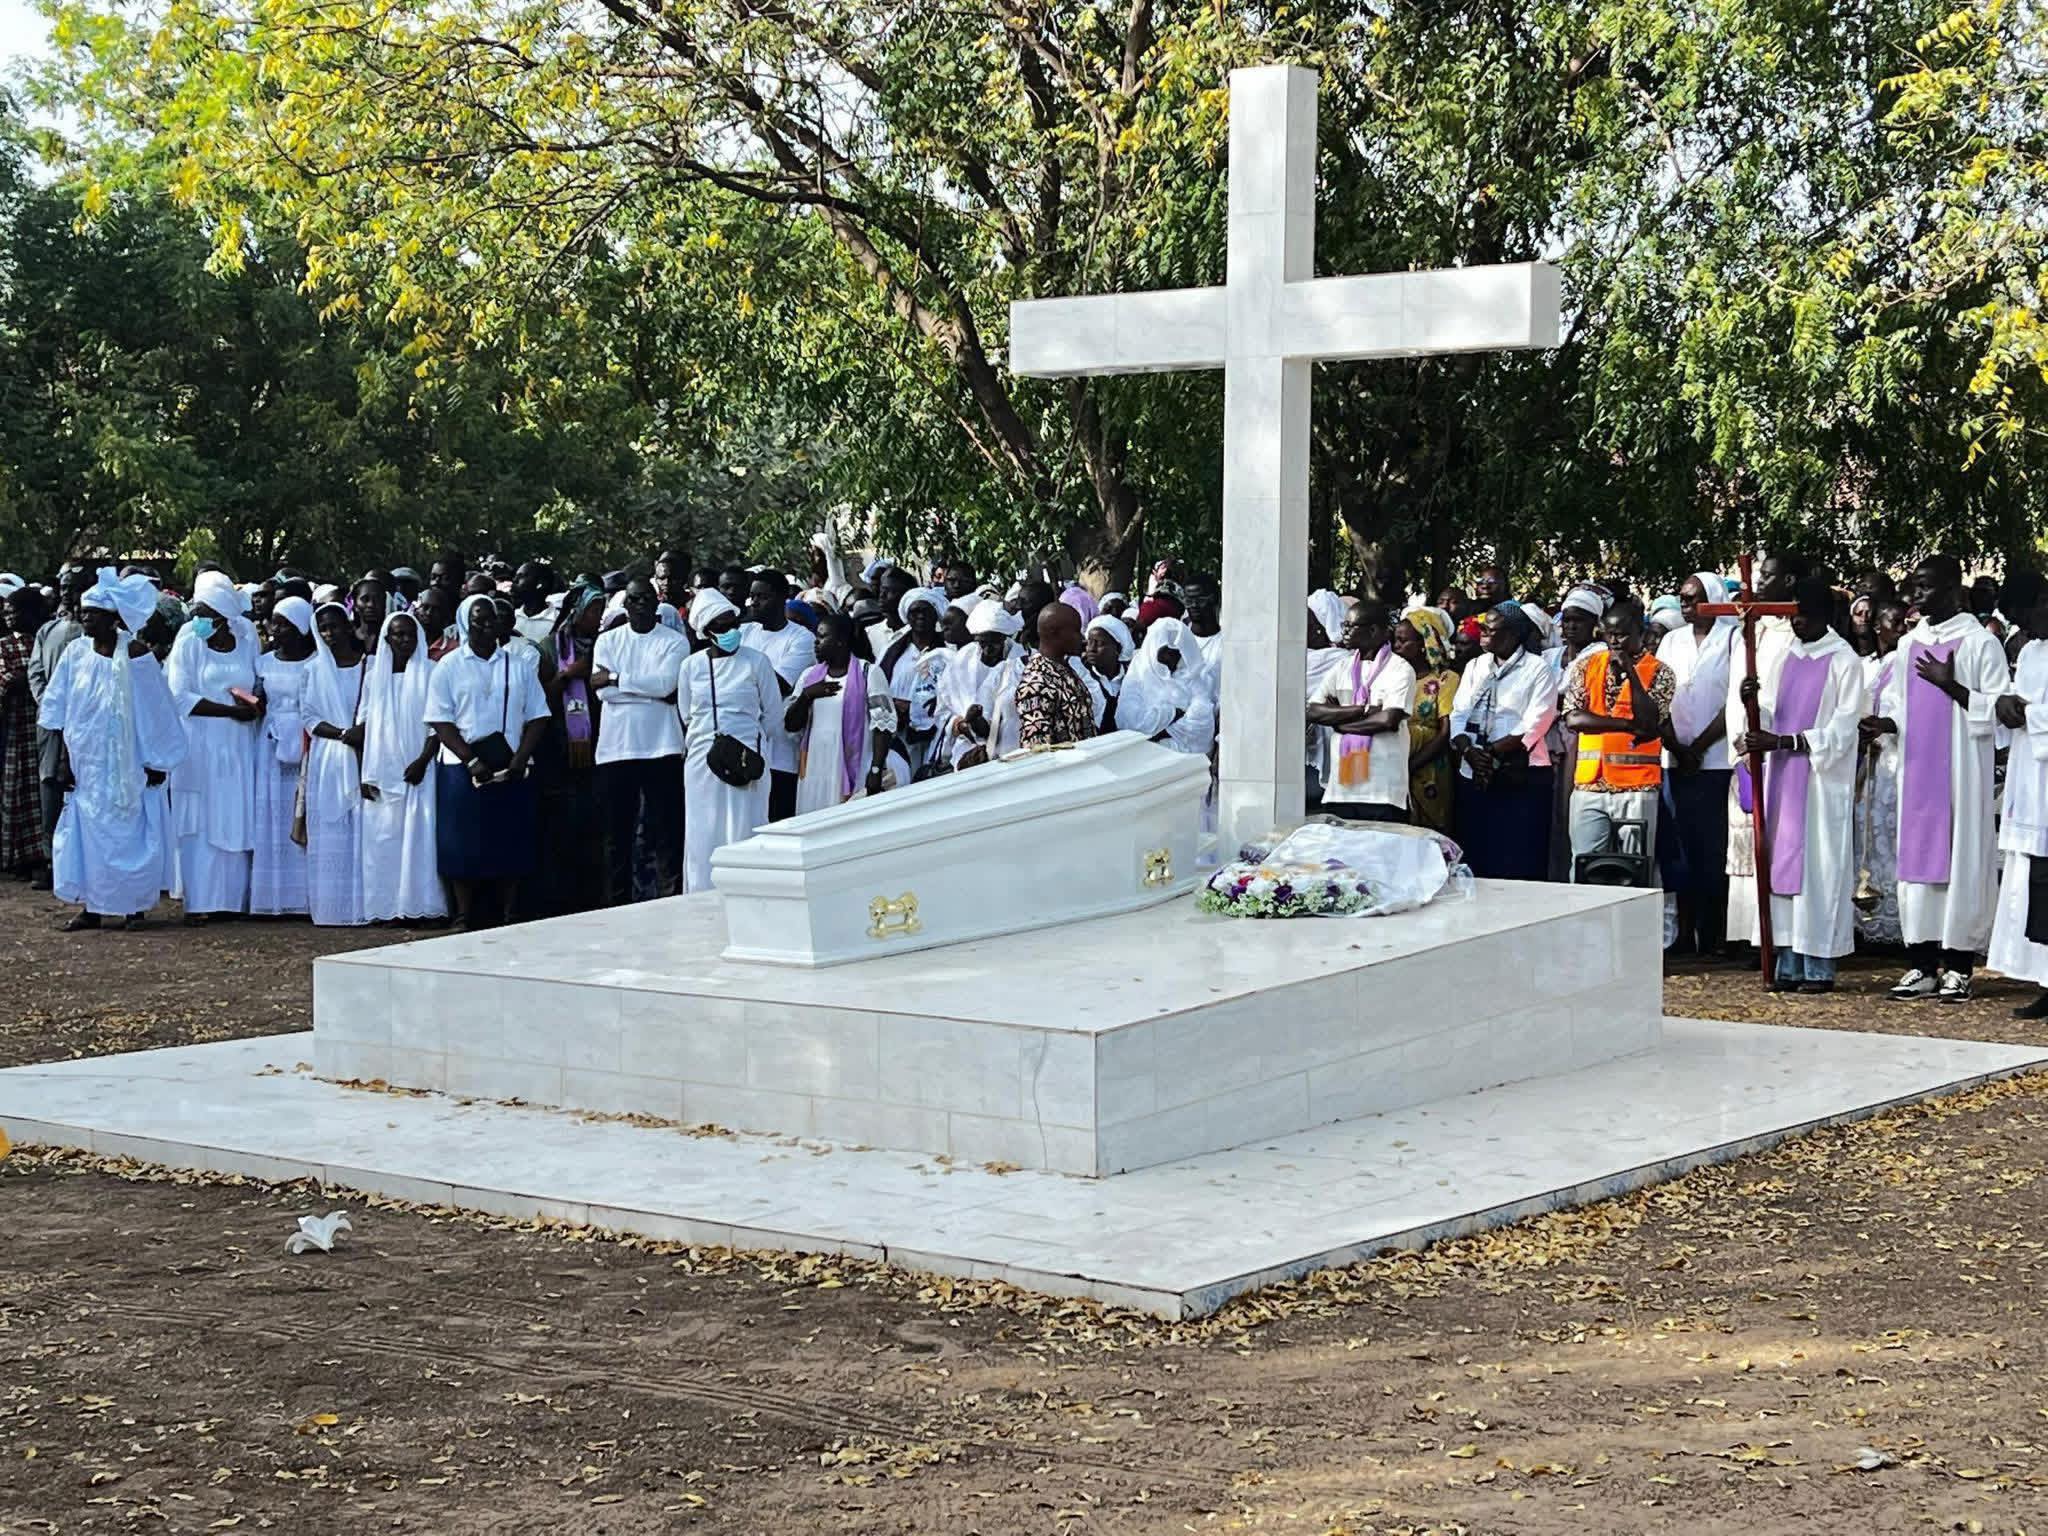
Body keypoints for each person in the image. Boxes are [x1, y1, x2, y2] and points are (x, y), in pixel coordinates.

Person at [1864, 555, 2011, 1001]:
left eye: (1926, 587)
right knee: (1919, 867)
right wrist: (1884, 724)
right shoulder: (1910, 644)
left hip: (1961, 775)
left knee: (1961, 861)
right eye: (1914, 587)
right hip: (1918, 771)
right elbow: (1898, 704)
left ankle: (1959, 966)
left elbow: (2003, 712)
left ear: (1952, 589)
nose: (1916, 596)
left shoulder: (1979, 644)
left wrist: (1952, 687)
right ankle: (1923, 964)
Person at [1730, 580, 1865, 992]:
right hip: (1783, 779)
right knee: (1780, 870)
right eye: (1793, 616)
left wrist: (1786, 742)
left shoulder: (1844, 660)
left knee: (1819, 872)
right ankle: (1786, 961)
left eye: (1804, 615)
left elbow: (1845, 729)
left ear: (1826, 616)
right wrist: (1749, 702)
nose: (1798, 623)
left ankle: (1818, 965)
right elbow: (1771, 710)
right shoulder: (1787, 655)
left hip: (1820, 784)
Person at [39, 569, 188, 930]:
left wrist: (156, 760)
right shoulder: (75, 653)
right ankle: (93, 908)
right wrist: (62, 757)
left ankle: (134, 908)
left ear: (112, 619)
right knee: (90, 832)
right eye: (84, 612)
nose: (85, 618)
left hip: (129, 761)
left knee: (129, 833)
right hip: (86, 762)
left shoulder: (135, 654)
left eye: (93, 614)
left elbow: (156, 710)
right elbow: (58, 706)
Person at [425, 593, 551, 928]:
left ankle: (510, 913)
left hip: (512, 764)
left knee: (510, 839)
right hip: (461, 766)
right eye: (478, 619)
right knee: (461, 842)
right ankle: (465, 914)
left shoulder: (518, 664)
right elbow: (440, 720)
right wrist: (470, 760)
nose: (486, 625)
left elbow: (538, 715)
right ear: (466, 622)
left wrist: (522, 758)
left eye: (491, 618)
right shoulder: (448, 666)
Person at [167, 571, 261, 922]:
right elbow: (178, 694)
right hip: (201, 742)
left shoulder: (246, 635)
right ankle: (202, 900)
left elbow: (257, 676)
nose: (197, 618)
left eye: (204, 612)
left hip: (238, 744)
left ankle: (233, 899)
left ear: (222, 615)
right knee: (202, 821)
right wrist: (227, 712)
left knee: (234, 812)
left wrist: (255, 702)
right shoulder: (189, 639)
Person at [1562, 598, 1674, 881]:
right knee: (1586, 869)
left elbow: (1650, 721)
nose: (1614, 640)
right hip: (1589, 786)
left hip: (1637, 786)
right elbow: (1573, 718)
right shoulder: (1585, 666)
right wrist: (1626, 724)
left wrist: (1631, 673)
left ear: (1642, 633)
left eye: (1622, 633)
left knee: (1634, 871)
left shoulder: (1661, 672)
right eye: (1609, 633)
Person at [592, 576, 689, 902]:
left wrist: (618, 678)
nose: (642, 604)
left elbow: (666, 685)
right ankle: (615, 902)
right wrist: (647, 691)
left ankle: (669, 897)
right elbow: (603, 692)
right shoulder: (608, 641)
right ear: (626, 604)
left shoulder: (674, 641)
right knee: (617, 834)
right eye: (634, 599)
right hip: (616, 748)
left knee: (665, 831)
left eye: (647, 598)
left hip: (662, 746)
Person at [676, 588, 780, 891]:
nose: (731, 631)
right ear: (707, 632)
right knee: (703, 830)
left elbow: (772, 716)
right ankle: (702, 895)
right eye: (722, 627)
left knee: (746, 825)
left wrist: (750, 741)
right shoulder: (690, 666)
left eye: (733, 624)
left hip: (748, 755)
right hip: (701, 760)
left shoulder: (757, 662)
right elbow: (687, 715)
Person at [1659, 573, 1739, 956]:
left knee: (1713, 849)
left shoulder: (1734, 639)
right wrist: (1677, 745)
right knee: (1679, 847)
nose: (1687, 605)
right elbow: (1660, 696)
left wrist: (1701, 746)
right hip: (1674, 758)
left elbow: (1735, 701)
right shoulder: (1671, 640)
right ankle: (1682, 933)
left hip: (1717, 760)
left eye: (1695, 599)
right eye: (1683, 599)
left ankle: (1715, 933)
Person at [1448, 603, 1556, 879]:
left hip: (1520, 772)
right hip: (1475, 770)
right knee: (1477, 854)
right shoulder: (1475, 666)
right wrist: (1470, 751)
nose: (1481, 634)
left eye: (1489, 629)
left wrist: (1491, 752)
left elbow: (1536, 722)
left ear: (1512, 634)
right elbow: (1459, 713)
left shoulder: (1537, 669)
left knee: (1517, 857)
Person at [358, 611, 445, 924]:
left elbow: (439, 724)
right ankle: (386, 907)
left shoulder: (432, 671)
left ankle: (422, 906)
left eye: (410, 634)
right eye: (398, 634)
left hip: (419, 766)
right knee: (384, 839)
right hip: (381, 768)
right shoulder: (373, 677)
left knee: (420, 837)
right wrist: (363, 773)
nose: (405, 640)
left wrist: (423, 760)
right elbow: (363, 726)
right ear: (387, 639)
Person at [1989, 584, 2048, 1017]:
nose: (2024, 627)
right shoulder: (2031, 652)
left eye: (2027, 614)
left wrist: (2028, 712)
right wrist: (2005, 704)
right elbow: (2017, 700)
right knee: (2039, 882)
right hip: (2031, 779)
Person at [1307, 600, 1416, 823]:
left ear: (1373, 630)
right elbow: (1312, 710)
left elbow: (1388, 719)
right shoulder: (1342, 667)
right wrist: (1363, 709)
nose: (1343, 631)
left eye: (1349, 626)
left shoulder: (1400, 669)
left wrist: (1340, 725)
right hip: (1342, 789)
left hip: (1383, 791)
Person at [788, 612, 897, 813]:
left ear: (840, 641)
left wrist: (875, 769)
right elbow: (791, 724)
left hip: (854, 764)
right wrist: (807, 696)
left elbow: (883, 725)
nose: (816, 642)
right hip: (815, 769)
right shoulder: (809, 677)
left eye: (822, 637)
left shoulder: (868, 673)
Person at [249, 596, 317, 917]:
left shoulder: (317, 662)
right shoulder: (264, 662)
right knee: (274, 812)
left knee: (303, 810)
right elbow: (258, 697)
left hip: (307, 740)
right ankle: (274, 894)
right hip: (272, 743)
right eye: (274, 622)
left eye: (283, 623)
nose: (275, 629)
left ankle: (305, 895)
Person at [303, 602, 368, 926]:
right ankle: (332, 908)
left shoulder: (367, 664)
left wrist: (362, 732)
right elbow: (309, 717)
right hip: (329, 754)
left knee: (362, 828)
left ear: (348, 625)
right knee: (331, 828)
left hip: (365, 752)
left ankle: (364, 906)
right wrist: (344, 733)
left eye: (335, 626)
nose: (330, 633)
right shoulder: (314, 670)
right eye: (323, 628)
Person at [737, 568, 815, 822]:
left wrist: (738, 682)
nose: (754, 602)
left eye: (762, 596)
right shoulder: (745, 633)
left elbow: (777, 684)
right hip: (745, 743)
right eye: (752, 596)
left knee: (778, 820)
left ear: (782, 598)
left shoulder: (801, 638)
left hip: (781, 749)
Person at [27, 565, 88, 888]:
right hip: (52, 724)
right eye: (64, 587)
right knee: (49, 785)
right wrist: (48, 705)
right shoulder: (48, 630)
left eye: (74, 587)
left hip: (89, 723)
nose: (67, 593)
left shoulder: (96, 632)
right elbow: (36, 672)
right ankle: (52, 862)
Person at [1855, 597, 1910, 948]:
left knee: (1893, 839)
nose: (1903, 629)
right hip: (1869, 763)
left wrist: (1886, 726)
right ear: (1878, 627)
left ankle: (1899, 922)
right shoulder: (1865, 666)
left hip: (1895, 759)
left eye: (1906, 623)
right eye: (1895, 623)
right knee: (1866, 837)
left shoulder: (1905, 661)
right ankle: (1868, 918)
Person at [0, 584, 50, 878]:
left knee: (40, 790)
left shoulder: (43, 639)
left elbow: (32, 681)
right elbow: (10, 682)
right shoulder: (5, 645)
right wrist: (31, 679)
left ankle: (38, 857)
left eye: (12, 610)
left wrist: (27, 680)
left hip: (41, 726)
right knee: (15, 791)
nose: (7, 615)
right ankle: (18, 857)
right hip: (15, 729)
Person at [1394, 607, 1458, 831]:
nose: (1396, 647)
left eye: (1403, 641)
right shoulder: (1394, 677)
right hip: (1395, 763)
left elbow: (1445, 731)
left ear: (1424, 644)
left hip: (1429, 765)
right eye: (1395, 640)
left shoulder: (1444, 679)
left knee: (1430, 830)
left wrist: (1411, 765)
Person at [1118, 616, 1218, 756]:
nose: (1169, 657)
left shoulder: (1191, 675)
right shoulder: (1138, 675)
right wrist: (1173, 713)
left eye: (1174, 652)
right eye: (1164, 651)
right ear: (1153, 648)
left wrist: (1158, 732)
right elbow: (1131, 723)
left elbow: (1201, 723)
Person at [942, 599, 1025, 768]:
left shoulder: (1021, 663)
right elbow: (944, 706)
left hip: (1013, 748)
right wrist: (962, 724)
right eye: (982, 643)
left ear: (1004, 638)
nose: (987, 650)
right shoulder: (963, 661)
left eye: (993, 643)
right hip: (968, 751)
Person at [1014, 598, 1098, 750]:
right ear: (1055, 633)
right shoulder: (1037, 683)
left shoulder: (1064, 669)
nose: (1082, 638)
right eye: (1076, 631)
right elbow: (1037, 750)